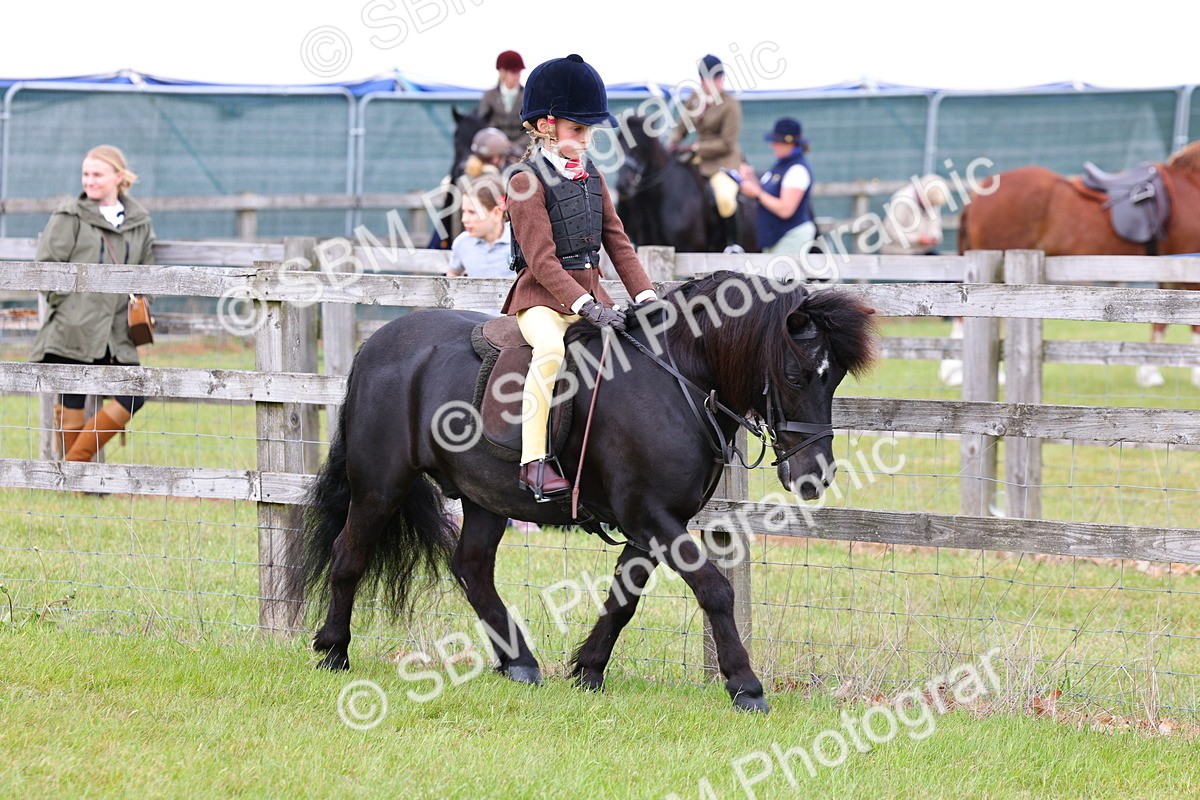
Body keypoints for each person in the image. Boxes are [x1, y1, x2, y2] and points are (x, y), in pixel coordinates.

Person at [502, 54, 658, 501]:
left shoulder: (594, 179)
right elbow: (542, 260)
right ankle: (533, 461)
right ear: (547, 127)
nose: (586, 141)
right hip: (541, 303)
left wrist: (645, 296)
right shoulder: (523, 181)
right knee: (550, 353)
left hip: (593, 300)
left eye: (589, 132)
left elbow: (618, 242)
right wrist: (585, 306)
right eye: (578, 130)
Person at [29, 145, 155, 464]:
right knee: (72, 399)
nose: (89, 181)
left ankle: (73, 465)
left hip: (117, 334)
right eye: (85, 174)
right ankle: (80, 482)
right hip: (73, 329)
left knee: (134, 395)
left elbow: (148, 276)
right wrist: (72, 307)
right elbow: (46, 269)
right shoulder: (68, 215)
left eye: (97, 174)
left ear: (119, 177)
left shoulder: (139, 222)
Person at [667, 54, 744, 252]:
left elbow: (727, 143)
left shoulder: (730, 105)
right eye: (705, 80)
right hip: (698, 161)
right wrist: (673, 141)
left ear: (721, 79)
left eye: (714, 79)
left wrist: (695, 148)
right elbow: (682, 125)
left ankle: (732, 243)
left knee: (725, 197)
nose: (709, 84)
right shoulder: (695, 98)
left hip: (722, 162)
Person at [738, 117, 816, 254]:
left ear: (790, 143)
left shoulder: (797, 169)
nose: (773, 145)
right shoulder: (781, 165)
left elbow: (785, 210)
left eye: (777, 142)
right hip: (776, 237)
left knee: (784, 276)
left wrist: (756, 193)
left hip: (790, 236)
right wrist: (750, 179)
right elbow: (766, 192)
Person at [445, 174, 511, 314]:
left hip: (510, 325)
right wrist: (458, 308)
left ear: (496, 213)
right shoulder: (462, 243)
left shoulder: (519, 241)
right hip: (472, 325)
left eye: (472, 212)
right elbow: (453, 273)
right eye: (463, 211)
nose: (464, 219)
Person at [880, 174, 948, 256]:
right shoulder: (902, 200)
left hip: (921, 252)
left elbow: (936, 226)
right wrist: (917, 239)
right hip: (899, 253)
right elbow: (891, 231)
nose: (933, 207)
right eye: (931, 203)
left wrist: (934, 237)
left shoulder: (933, 200)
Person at [477, 50, 527, 146]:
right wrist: (499, 142)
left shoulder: (527, 95)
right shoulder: (489, 96)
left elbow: (532, 128)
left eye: (519, 72)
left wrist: (515, 146)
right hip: (495, 147)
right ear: (502, 72)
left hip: (522, 149)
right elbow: (485, 124)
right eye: (513, 72)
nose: (517, 76)